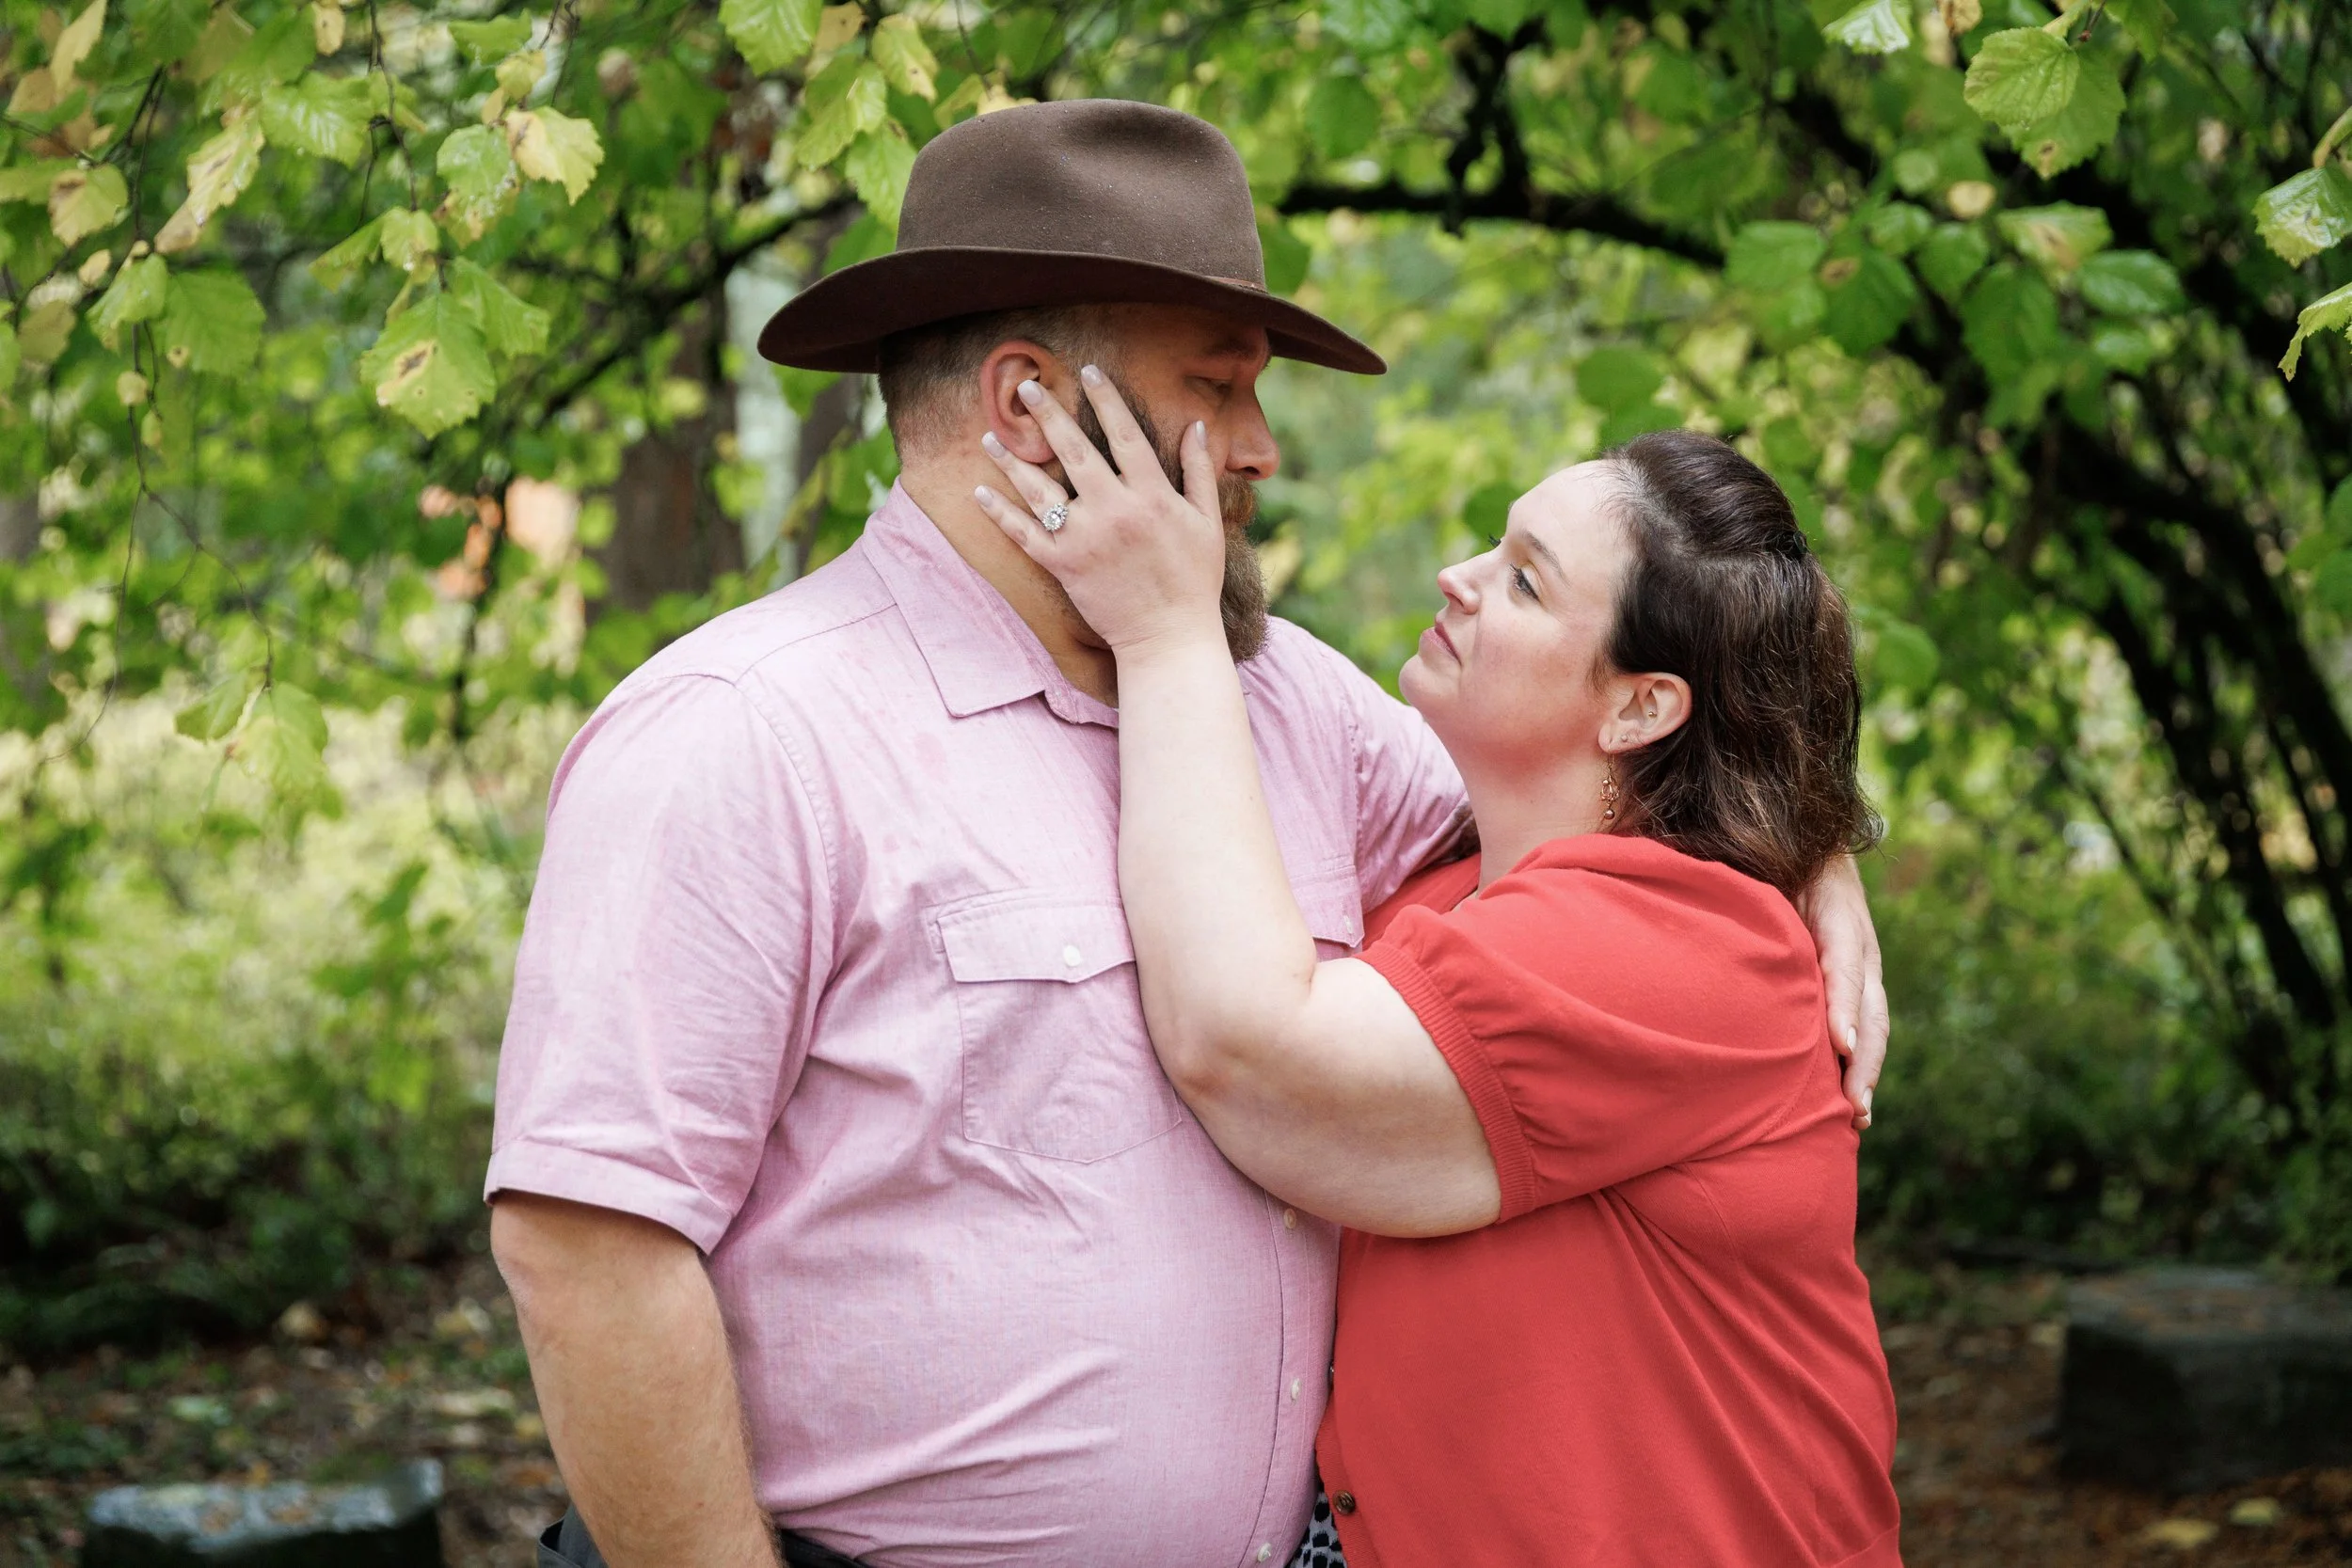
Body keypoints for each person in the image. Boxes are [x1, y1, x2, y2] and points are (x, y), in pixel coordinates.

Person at [487, 99, 1891, 1568]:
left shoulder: (1290, 705)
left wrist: (1807, 853)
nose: (1265, 449)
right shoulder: (743, 733)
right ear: (1033, 410)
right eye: (1221, 390)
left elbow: (1609, 810)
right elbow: (587, 1245)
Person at [975, 383, 1903, 1565]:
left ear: (1638, 706)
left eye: (1523, 578)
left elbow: (1253, 1051)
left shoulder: (1691, 941)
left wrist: (1164, 630)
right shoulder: (1446, 880)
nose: (1457, 575)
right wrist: (1820, 847)